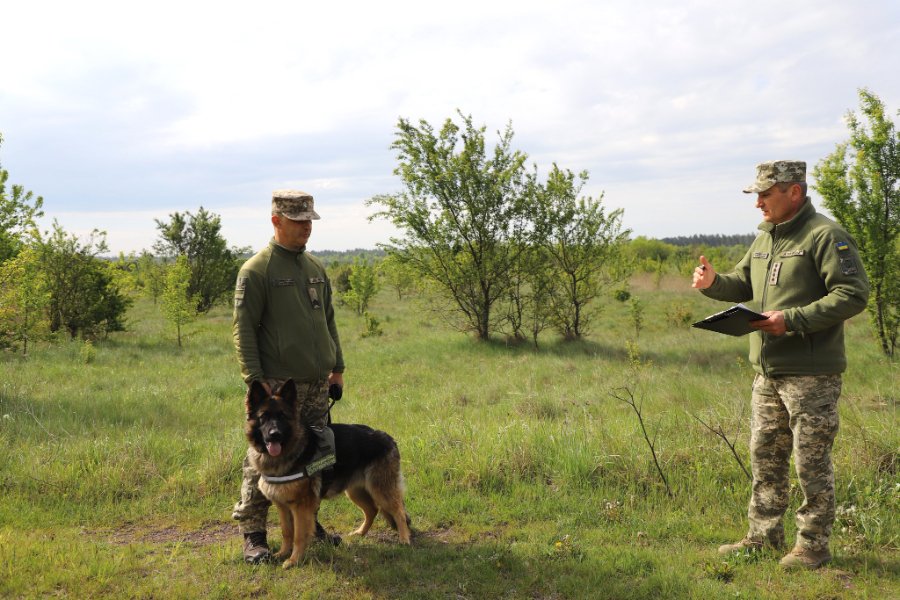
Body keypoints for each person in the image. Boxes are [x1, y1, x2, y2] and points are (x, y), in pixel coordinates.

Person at [692, 160, 869, 570]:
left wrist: (791, 320)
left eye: (765, 194)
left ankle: (812, 546)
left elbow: (852, 294)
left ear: (794, 191)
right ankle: (762, 538)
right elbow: (743, 283)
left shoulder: (825, 235)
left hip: (812, 374)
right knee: (766, 457)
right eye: (756, 195)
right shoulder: (765, 237)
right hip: (768, 373)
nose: (758, 203)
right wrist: (713, 283)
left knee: (811, 463)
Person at [232, 189, 346, 563]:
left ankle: (308, 522)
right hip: (278, 388)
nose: (306, 228)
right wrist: (256, 380)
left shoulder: (314, 268)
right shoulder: (257, 270)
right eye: (298, 221)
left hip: (315, 384)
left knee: (316, 456)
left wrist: (337, 367)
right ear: (276, 221)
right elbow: (243, 329)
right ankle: (254, 534)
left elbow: (328, 320)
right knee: (263, 459)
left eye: (309, 220)